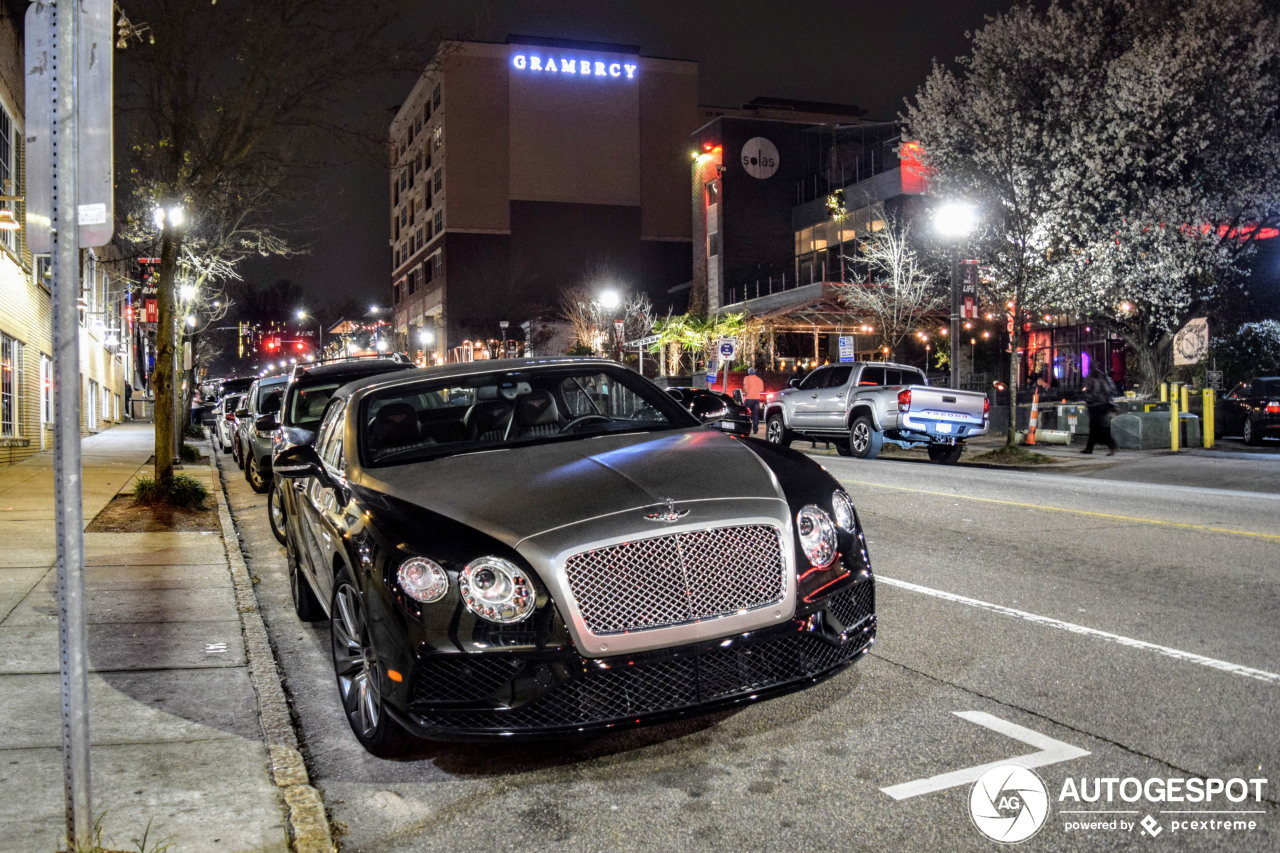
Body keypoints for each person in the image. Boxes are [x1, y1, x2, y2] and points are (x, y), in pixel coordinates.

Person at [1081, 366, 1117, 455]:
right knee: (1094, 427)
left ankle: (1112, 445)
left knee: (1097, 427)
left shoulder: (1092, 377)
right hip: (1103, 404)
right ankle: (1089, 448)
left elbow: (1090, 391)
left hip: (1096, 405)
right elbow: (1110, 390)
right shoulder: (1103, 376)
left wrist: (1088, 400)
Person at [742, 367, 765, 433]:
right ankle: (755, 429)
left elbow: (745, 388)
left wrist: (746, 394)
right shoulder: (759, 380)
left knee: (746, 414)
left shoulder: (746, 378)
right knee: (755, 415)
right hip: (757, 399)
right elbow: (761, 390)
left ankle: (745, 428)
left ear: (749, 372)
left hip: (749, 398)